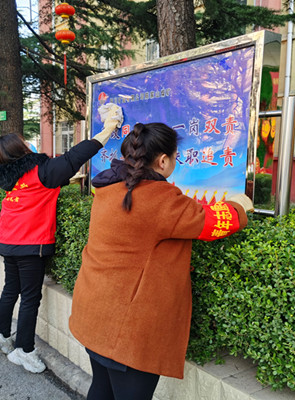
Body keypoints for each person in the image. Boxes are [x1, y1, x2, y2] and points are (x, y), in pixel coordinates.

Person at [69, 122, 254, 400]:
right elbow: (208, 223)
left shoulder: (109, 187)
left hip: (94, 312)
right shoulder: (158, 198)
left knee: (102, 388)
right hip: (127, 330)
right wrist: (239, 206)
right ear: (164, 160)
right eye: (176, 157)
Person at [0, 105, 122, 374]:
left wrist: (68, 180)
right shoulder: (43, 171)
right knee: (30, 298)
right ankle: (24, 351)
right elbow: (77, 155)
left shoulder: (12, 178)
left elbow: (42, 188)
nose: (28, 143)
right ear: (20, 149)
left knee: (11, 290)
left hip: (9, 242)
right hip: (29, 245)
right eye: (24, 142)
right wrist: (109, 128)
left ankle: (1, 335)